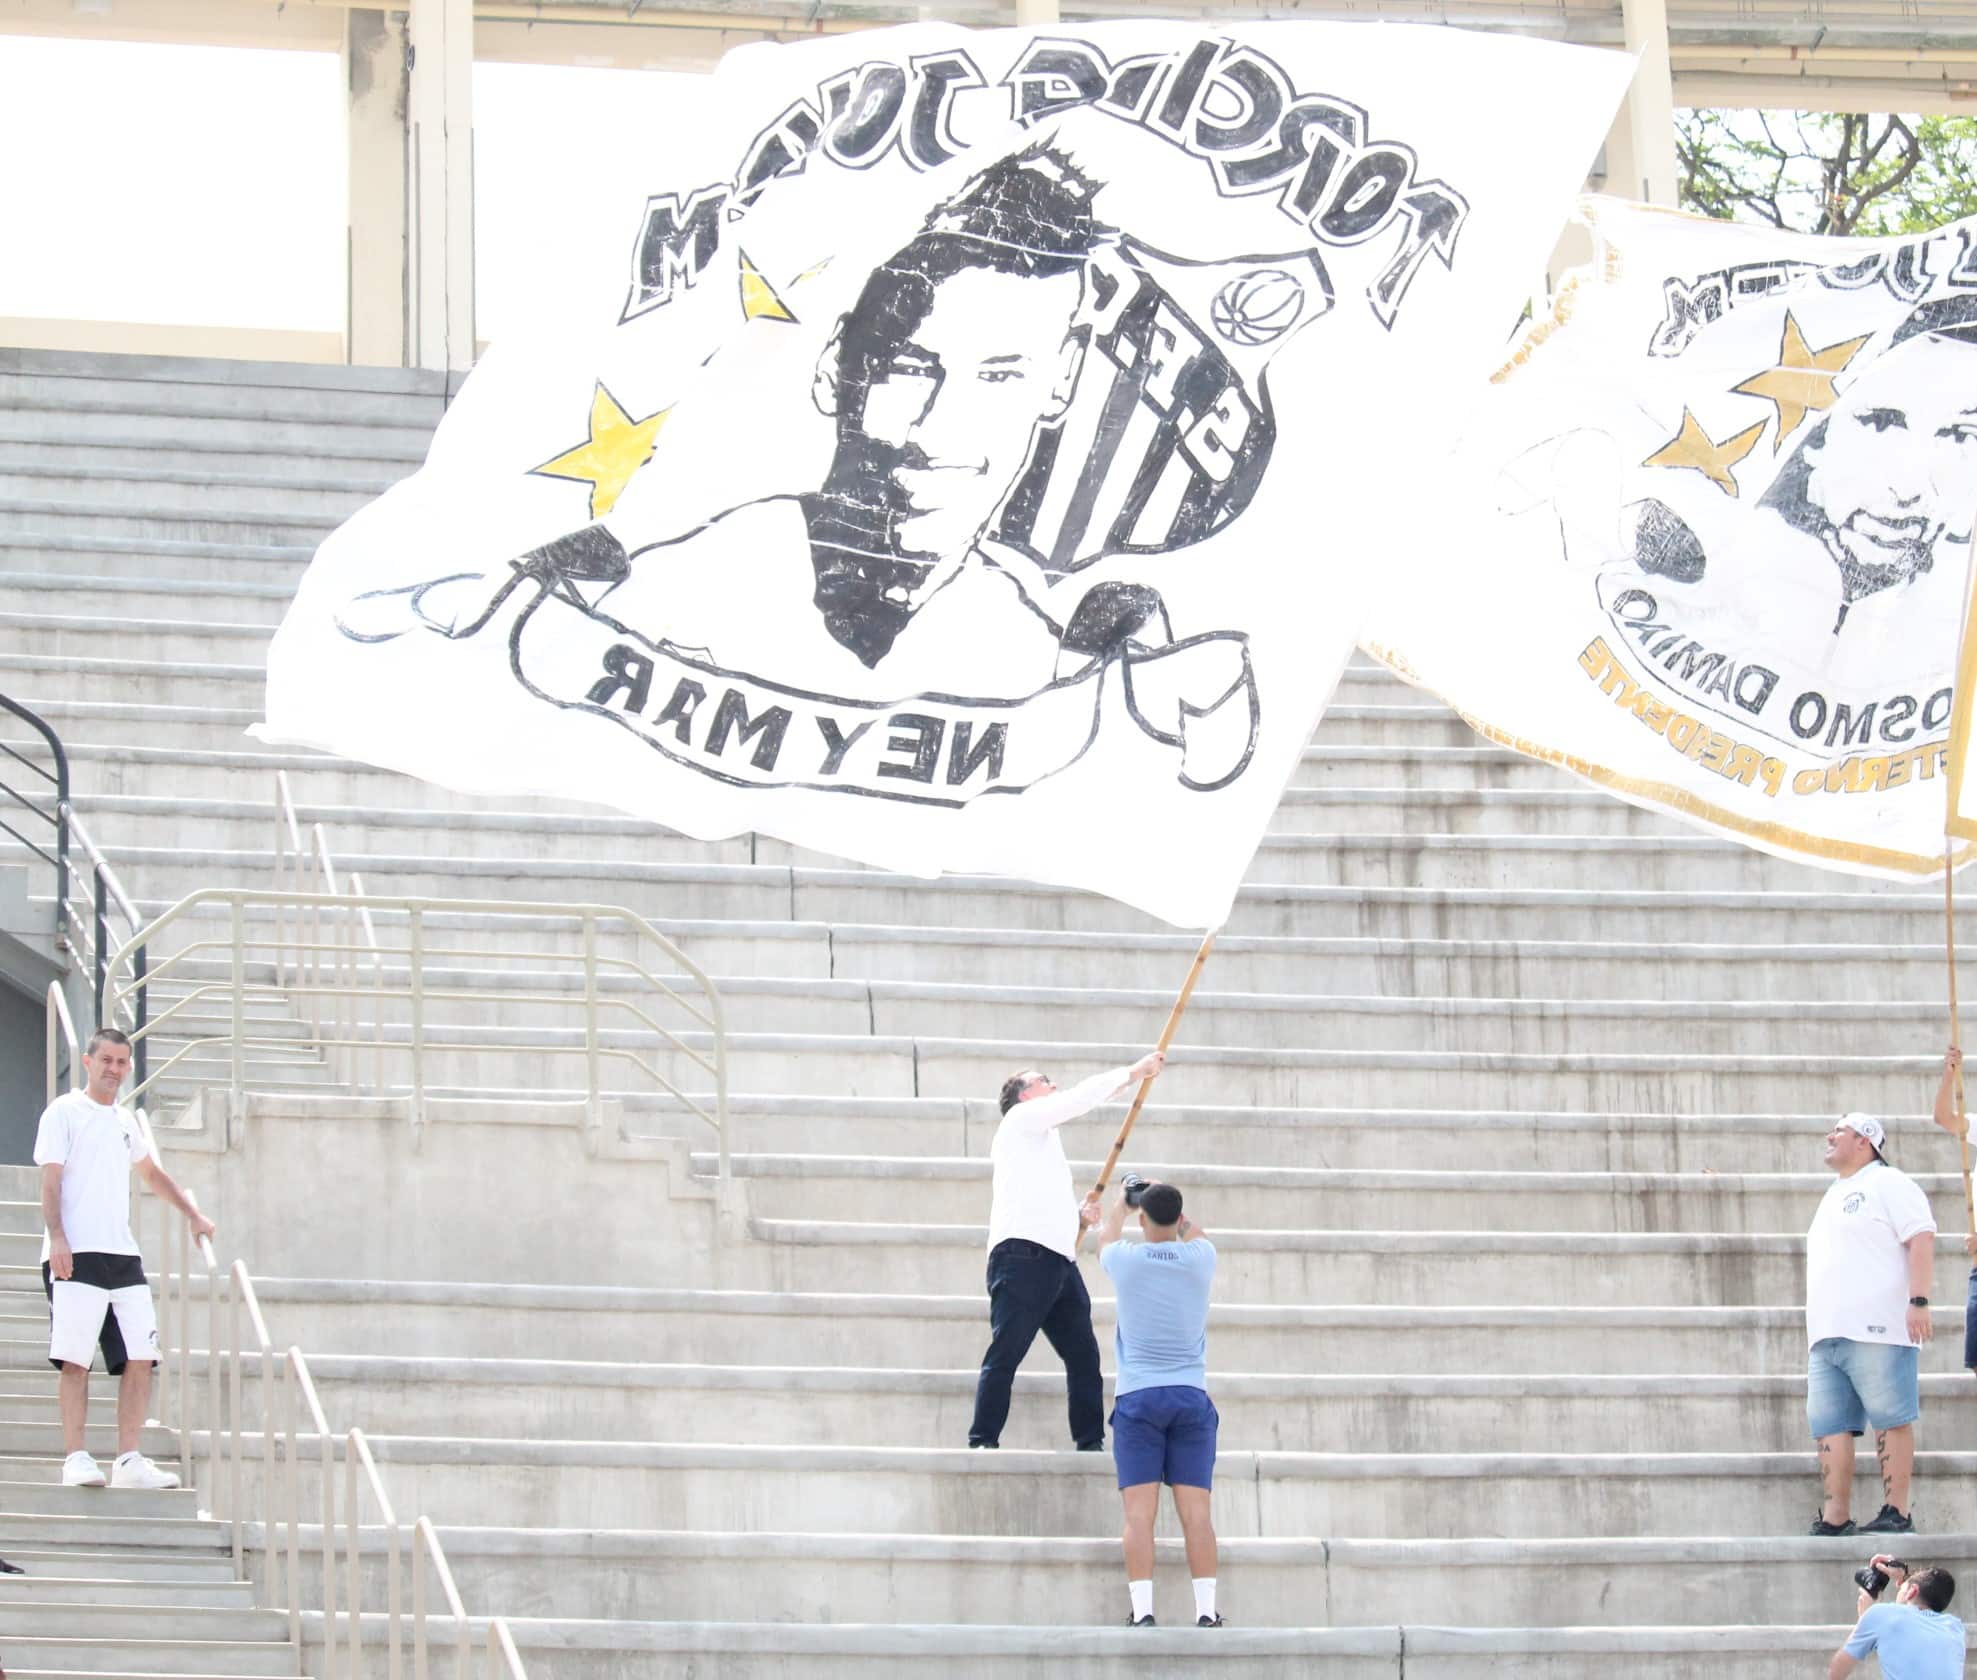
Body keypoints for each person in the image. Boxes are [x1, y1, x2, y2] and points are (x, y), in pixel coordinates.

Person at [37, 1027, 216, 1489]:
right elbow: (51, 1181)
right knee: (76, 1359)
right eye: (106, 1061)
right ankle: (76, 1456)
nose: (113, 1070)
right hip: (75, 1252)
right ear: (88, 1063)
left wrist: (192, 1213)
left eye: (121, 1062)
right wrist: (57, 1236)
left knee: (141, 1355)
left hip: (123, 1255)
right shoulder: (64, 1112)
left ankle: (128, 1460)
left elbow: (152, 1174)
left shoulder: (126, 1120)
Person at [967, 1049, 1165, 1453]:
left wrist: (1078, 1217)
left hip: (1058, 1259)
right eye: (1044, 1081)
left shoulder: (1040, 1142)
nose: (1053, 1085)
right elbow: (1078, 1098)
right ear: (1023, 1095)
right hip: (1022, 1257)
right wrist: (1132, 1072)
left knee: (1083, 1356)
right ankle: (983, 1439)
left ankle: (1090, 1439)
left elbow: (1039, 1201)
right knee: (1007, 1349)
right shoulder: (1019, 1121)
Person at [1095, 1176, 1220, 1629]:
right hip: (1190, 1395)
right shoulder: (1200, 1258)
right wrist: (1171, 1209)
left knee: (1138, 1515)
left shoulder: (1127, 1260)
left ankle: (1143, 1612)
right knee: (1197, 1514)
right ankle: (1206, 1611)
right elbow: (1196, 1233)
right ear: (1179, 1216)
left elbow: (1104, 1238)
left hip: (1139, 1398)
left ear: (1144, 1218)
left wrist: (1123, 1206)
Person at [1805, 1109, 1936, 1536]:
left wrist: (1918, 1300)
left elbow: (1921, 1235)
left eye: (1839, 1130)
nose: (1830, 1135)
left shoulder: (1889, 1182)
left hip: (1876, 1327)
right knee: (1829, 1425)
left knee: (1890, 1415)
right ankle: (1836, 1515)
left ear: (1864, 1140)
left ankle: (1896, 1510)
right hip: (1828, 1333)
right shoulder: (1834, 1191)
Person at [1830, 1553, 1966, 1678]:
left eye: (1901, 1588)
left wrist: (1863, 1619)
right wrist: (1906, 1578)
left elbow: (1835, 1674)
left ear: (1912, 1591)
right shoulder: (1955, 1627)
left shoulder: (1881, 1615)